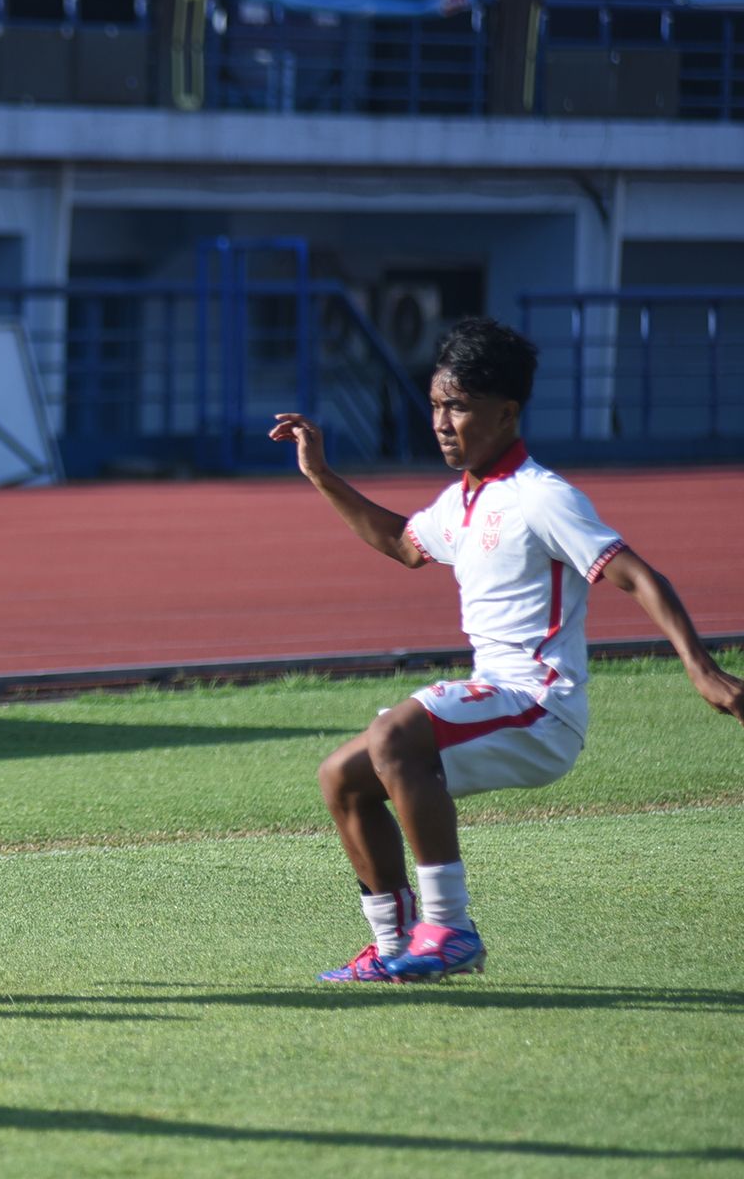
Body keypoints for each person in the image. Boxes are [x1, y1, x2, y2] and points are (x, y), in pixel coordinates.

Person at [271, 316, 744, 983]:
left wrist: (702, 669)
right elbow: (403, 543)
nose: (441, 421)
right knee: (341, 778)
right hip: (495, 696)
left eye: (457, 406)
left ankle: (451, 930)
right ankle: (395, 942)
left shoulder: (542, 497)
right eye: (435, 404)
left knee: (394, 735)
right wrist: (320, 473)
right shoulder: (462, 501)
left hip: (539, 707)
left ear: (506, 411)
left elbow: (637, 573)